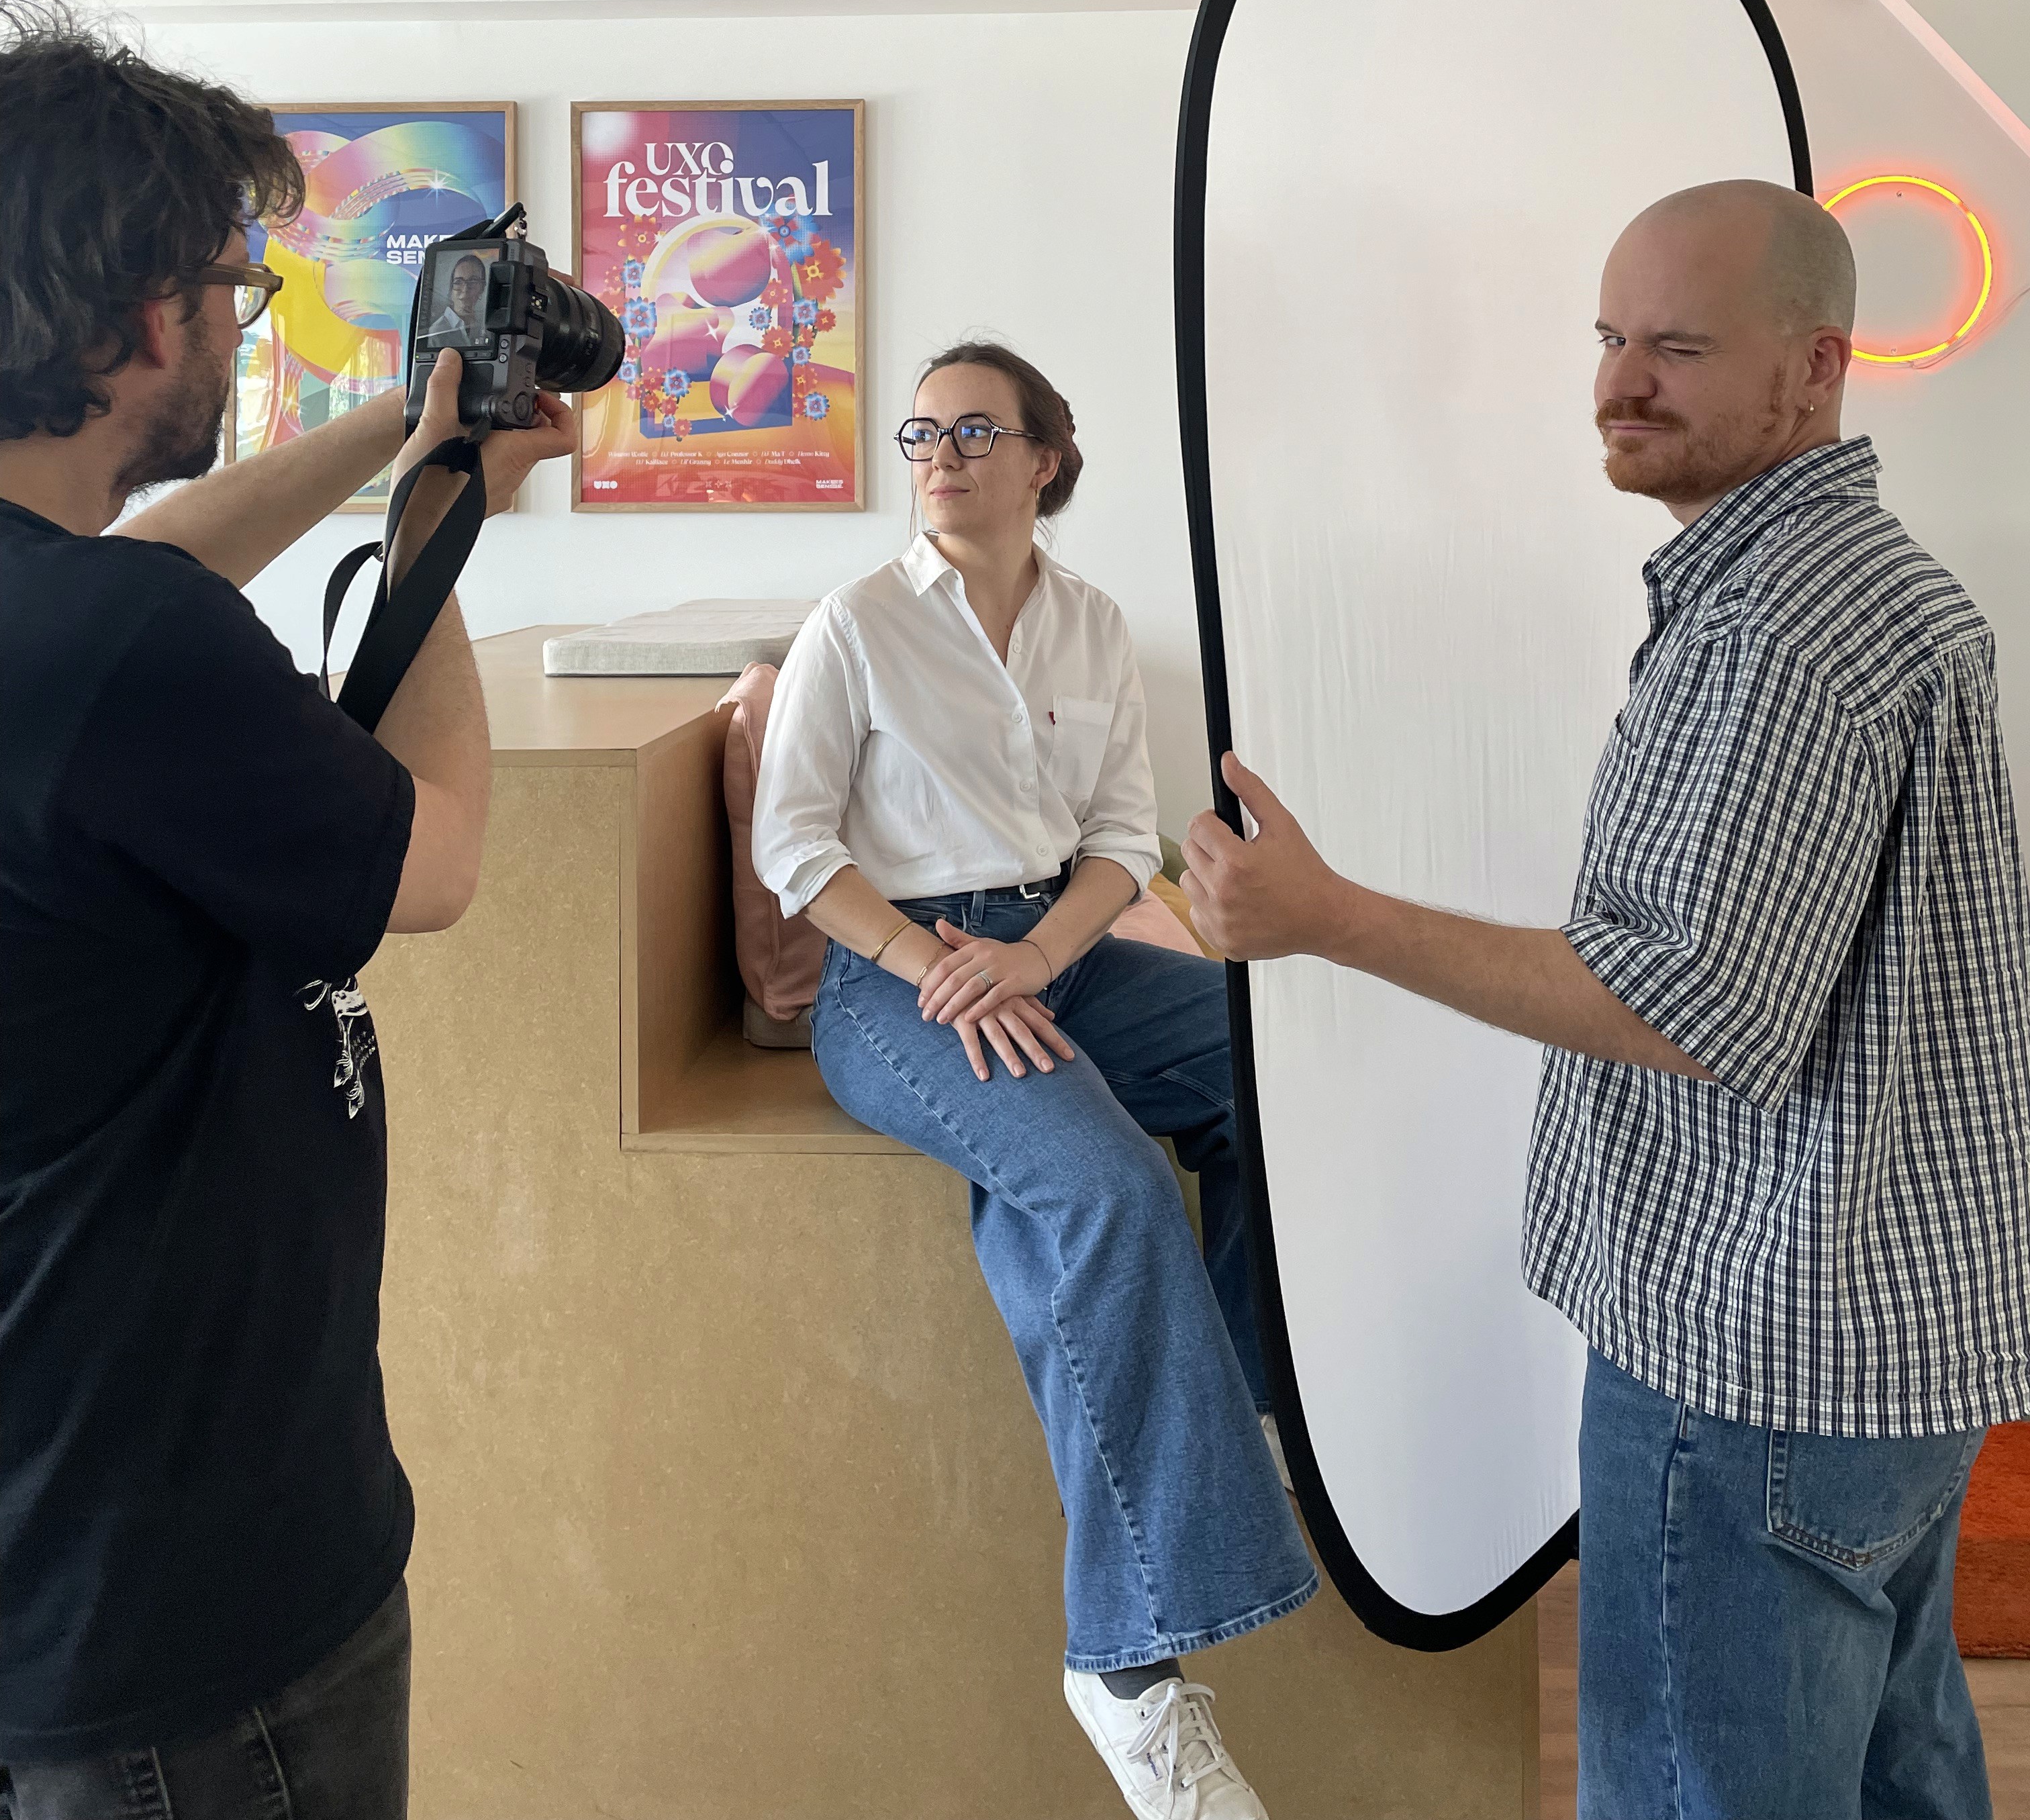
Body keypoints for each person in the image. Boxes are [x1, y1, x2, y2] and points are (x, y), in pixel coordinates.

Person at [1183, 179, 2029, 1820]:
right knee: (1896, 1774)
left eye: (1680, 348)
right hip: (1878, 1342)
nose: (1620, 382)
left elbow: (1691, 1006)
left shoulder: (1779, 630)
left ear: (1815, 368)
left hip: (1754, 1357)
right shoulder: (1874, 586)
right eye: (1609, 336)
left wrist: (1327, 916)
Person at [0, 0, 573, 1817]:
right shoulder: (115, 646)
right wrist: (438, 525)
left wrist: (402, 430)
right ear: (139, 314)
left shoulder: (63, 619)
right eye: (235, 289)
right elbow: (437, 857)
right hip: (187, 1607)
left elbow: (136, 570)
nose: (241, 328)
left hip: (52, 1563)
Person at [751, 341, 1316, 1820]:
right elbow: (795, 846)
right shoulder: (857, 624)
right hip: (893, 977)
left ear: (1044, 459)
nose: (937, 454)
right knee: (1104, 1185)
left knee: (1272, 1071)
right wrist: (936, 964)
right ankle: (1125, 1675)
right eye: (919, 432)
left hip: (1053, 950)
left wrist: (1043, 955)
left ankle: (1240, 1408)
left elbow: (1122, 835)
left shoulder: (1091, 623)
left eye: (972, 430)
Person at [420, 250, 489, 347]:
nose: (465, 289)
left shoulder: (483, 325)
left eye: (473, 281)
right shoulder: (437, 331)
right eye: (458, 282)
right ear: (451, 289)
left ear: (482, 288)